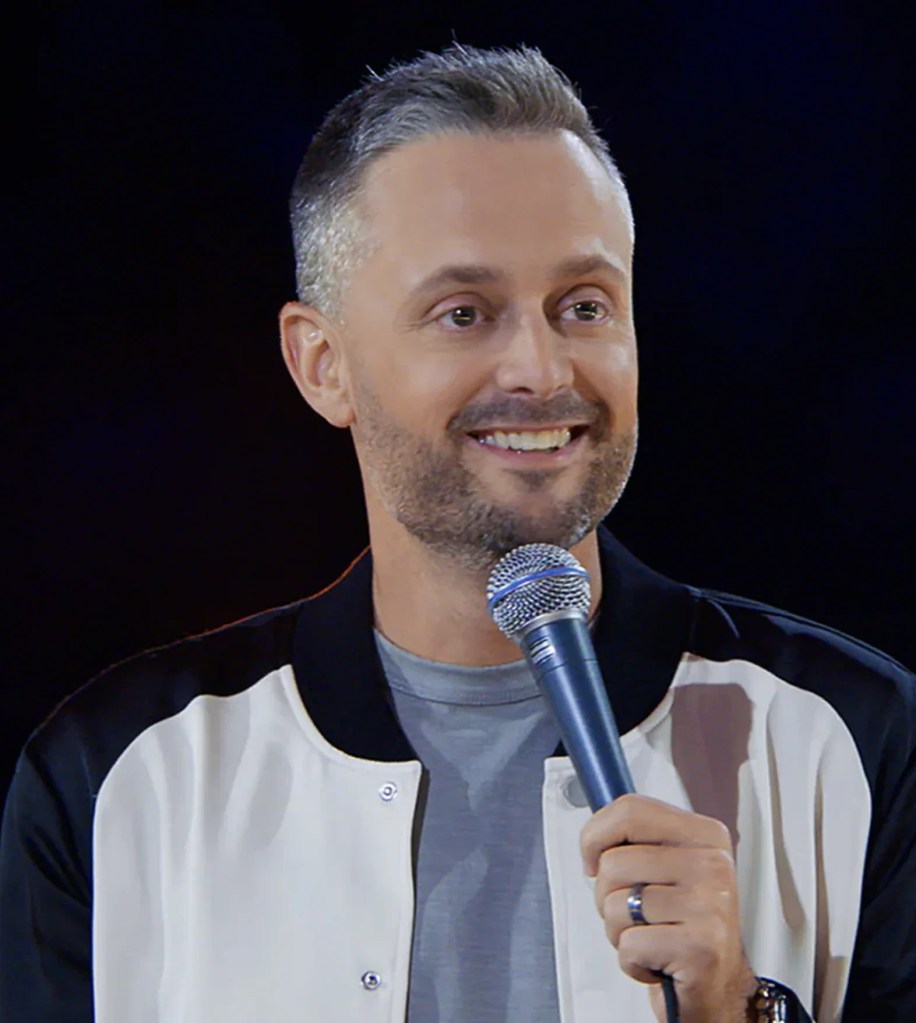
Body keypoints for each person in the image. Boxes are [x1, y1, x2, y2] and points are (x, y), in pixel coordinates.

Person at [0, 44, 912, 1023]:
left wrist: (739, 1006)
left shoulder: (857, 737)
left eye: (585, 306)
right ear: (321, 365)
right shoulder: (120, 776)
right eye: (463, 313)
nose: (538, 367)